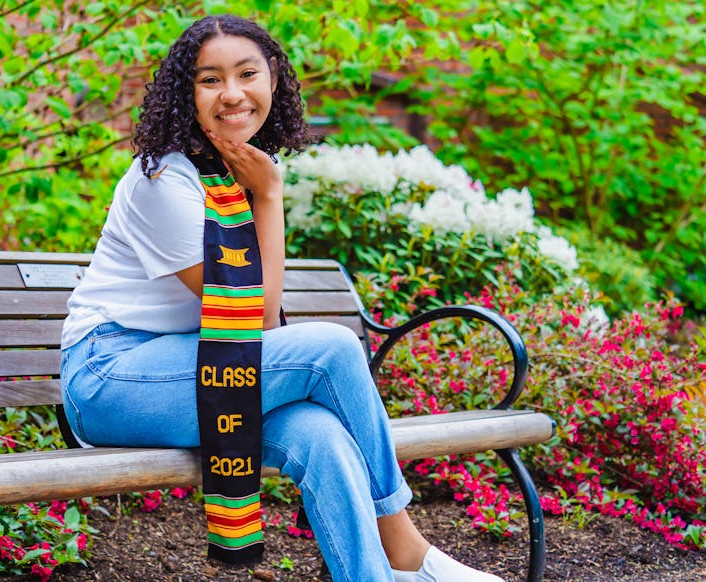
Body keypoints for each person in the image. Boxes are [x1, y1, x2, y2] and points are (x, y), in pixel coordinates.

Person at [59, 14, 504, 582]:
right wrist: (269, 197)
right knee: (333, 349)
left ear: (272, 78)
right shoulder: (162, 182)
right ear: (184, 92)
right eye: (210, 79)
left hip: (197, 366)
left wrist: (262, 189)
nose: (233, 93)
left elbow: (248, 328)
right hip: (109, 378)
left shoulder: (228, 170)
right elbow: (260, 318)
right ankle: (404, 543)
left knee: (321, 435)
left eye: (247, 73)